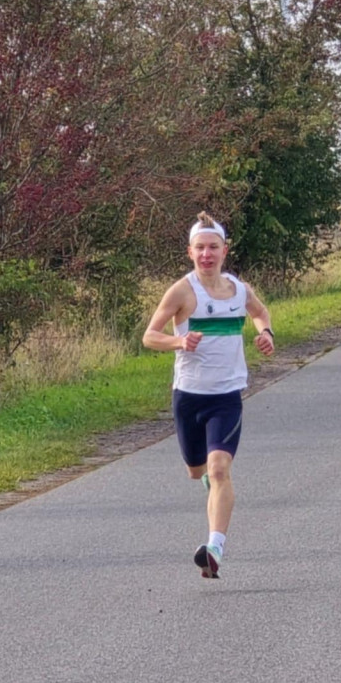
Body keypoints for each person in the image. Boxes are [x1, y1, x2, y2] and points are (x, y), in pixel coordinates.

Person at [143, 211, 275, 579]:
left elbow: (260, 312)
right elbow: (149, 335)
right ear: (190, 252)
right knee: (196, 471)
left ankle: (215, 546)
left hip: (226, 396)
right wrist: (179, 340)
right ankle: (209, 484)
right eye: (200, 248)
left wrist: (266, 333)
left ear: (224, 250)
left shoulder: (238, 290)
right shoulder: (182, 291)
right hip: (188, 396)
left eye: (213, 247)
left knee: (220, 470)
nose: (206, 254)